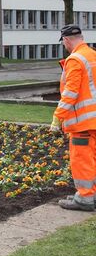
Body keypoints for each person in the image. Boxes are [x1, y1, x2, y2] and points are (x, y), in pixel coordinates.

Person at [51, 24, 96, 211]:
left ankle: (85, 199)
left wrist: (57, 118)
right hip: (93, 119)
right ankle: (90, 194)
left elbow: (70, 93)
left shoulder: (75, 60)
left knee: (82, 160)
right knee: (92, 158)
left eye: (64, 43)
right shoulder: (92, 55)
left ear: (67, 40)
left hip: (82, 122)